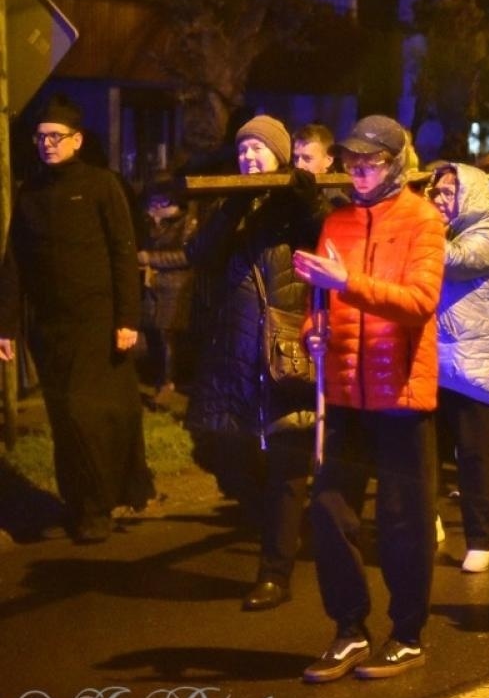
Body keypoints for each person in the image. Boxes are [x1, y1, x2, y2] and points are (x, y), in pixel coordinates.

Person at [296, 114, 446, 683]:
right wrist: (317, 326)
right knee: (329, 510)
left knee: (403, 521)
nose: (358, 170)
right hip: (344, 390)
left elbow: (419, 301)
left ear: (397, 163)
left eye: (371, 161)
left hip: (401, 391)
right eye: (351, 160)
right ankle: (349, 628)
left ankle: (407, 634)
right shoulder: (336, 222)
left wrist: (345, 285)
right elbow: (323, 300)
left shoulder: (423, 219)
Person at [186, 115, 327, 611]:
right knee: (224, 451)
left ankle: (274, 573)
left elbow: (326, 239)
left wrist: (308, 200)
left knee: (288, 460)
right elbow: (199, 254)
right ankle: (283, 529)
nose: (248, 158)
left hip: (284, 348)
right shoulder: (232, 205)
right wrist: (234, 207)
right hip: (234, 351)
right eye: (243, 150)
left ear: (279, 156)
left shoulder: (297, 203)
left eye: (258, 150)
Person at [0, 95, 153, 543]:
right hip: (50, 330)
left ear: (77, 140)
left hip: (99, 324)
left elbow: (123, 254)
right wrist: (5, 326)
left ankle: (98, 506)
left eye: (55, 137)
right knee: (65, 418)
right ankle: (78, 501)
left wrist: (128, 318)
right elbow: (15, 265)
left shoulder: (102, 185)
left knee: (94, 417)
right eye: (41, 137)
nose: (46, 144)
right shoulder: (30, 194)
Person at [429, 162, 489, 574]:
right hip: (438, 364)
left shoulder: (488, 236)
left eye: (448, 192)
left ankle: (480, 538)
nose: (439, 199)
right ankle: (430, 520)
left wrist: (415, 226)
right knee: (426, 452)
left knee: (475, 459)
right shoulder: (445, 233)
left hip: (477, 367)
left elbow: (454, 261)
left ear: (470, 195)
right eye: (437, 192)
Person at [137, 172, 198, 407]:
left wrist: (150, 258)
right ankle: (159, 381)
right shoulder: (147, 220)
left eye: (161, 199)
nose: (156, 204)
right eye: (153, 199)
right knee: (153, 334)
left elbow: (186, 255)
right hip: (151, 286)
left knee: (167, 336)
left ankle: (168, 384)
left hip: (175, 286)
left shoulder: (186, 221)